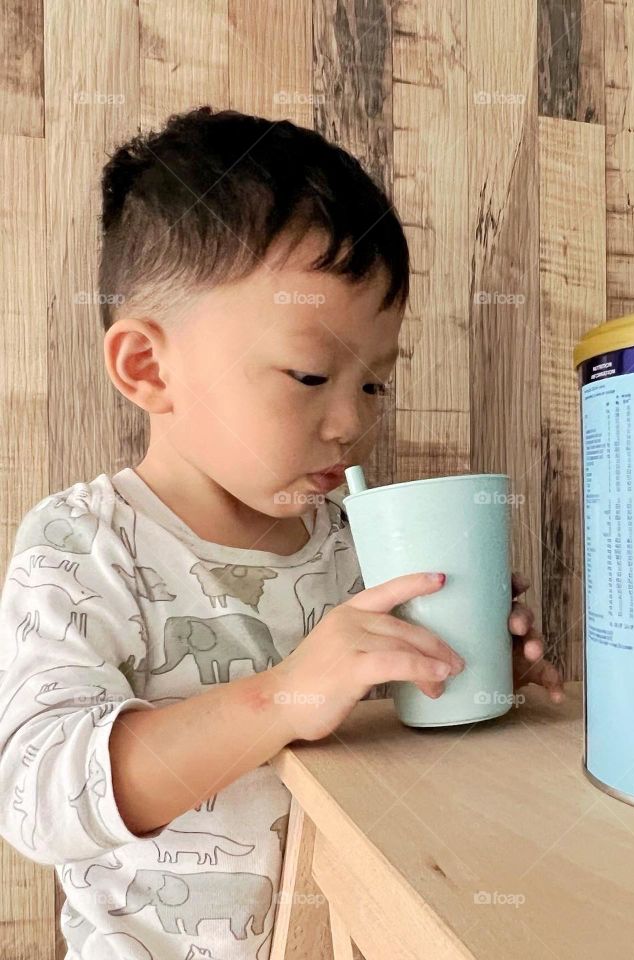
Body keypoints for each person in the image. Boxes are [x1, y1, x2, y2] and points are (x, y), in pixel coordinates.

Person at [0, 106, 564, 960]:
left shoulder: (355, 544)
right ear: (149, 367)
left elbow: (383, 770)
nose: (351, 422)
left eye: (374, 384)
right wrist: (284, 693)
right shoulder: (87, 545)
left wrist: (469, 673)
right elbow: (35, 798)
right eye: (311, 375)